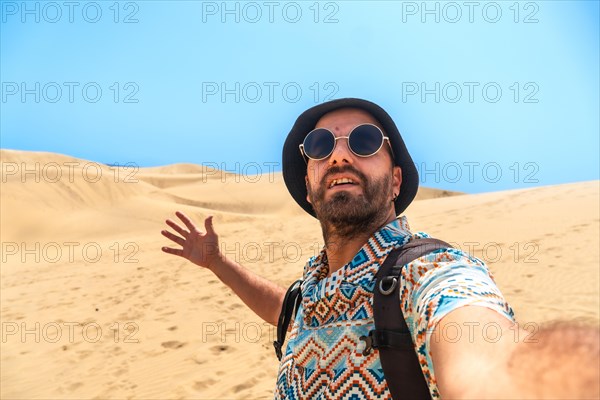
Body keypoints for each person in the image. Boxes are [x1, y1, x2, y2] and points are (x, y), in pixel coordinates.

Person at [161, 98, 599, 399]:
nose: (338, 156)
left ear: (395, 181)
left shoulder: (427, 272)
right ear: (309, 187)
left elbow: (486, 352)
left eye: (365, 142)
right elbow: (285, 310)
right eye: (319, 147)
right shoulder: (313, 289)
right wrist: (218, 263)